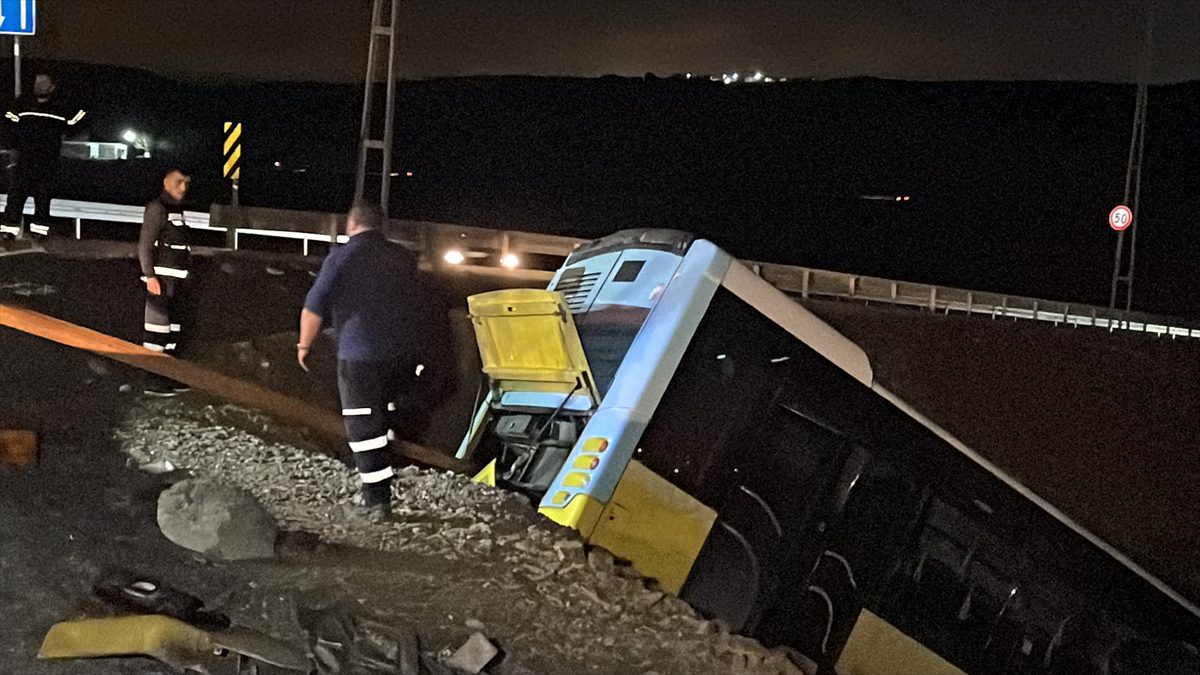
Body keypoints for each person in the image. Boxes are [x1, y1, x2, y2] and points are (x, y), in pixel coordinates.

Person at [298, 201, 447, 522]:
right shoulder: (403, 258)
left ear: (351, 225)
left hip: (360, 356)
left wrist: (304, 345)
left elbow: (313, 307)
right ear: (382, 227)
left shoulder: (342, 257)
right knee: (388, 415)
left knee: (363, 426)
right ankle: (391, 469)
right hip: (405, 355)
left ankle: (376, 501)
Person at [0, 71, 86, 241]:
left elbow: (78, 119)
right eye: (36, 82)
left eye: (42, 83)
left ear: (52, 87)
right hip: (25, 158)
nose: (37, 86)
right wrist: (14, 144)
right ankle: (8, 231)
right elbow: (9, 122)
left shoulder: (61, 106)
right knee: (16, 195)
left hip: (48, 160)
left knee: (43, 196)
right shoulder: (23, 103)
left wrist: (66, 133)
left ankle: (39, 232)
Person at [138, 168, 194, 396]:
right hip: (161, 281)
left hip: (177, 283)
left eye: (186, 183)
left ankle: (169, 376)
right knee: (157, 332)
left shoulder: (177, 210)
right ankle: (152, 380)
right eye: (179, 182)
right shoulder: (157, 208)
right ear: (166, 183)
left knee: (173, 331)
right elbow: (145, 245)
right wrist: (150, 276)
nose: (183, 187)